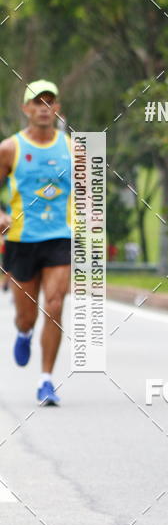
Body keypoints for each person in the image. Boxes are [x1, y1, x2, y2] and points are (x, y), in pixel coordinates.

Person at [0, 80, 72, 406]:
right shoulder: (9, 148)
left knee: (55, 305)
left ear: (57, 108)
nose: (44, 107)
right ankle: (24, 331)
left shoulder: (73, 148)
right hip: (21, 240)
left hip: (60, 236)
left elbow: (86, 192)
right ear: (26, 108)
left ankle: (46, 380)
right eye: (37, 102)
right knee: (26, 315)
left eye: (50, 102)